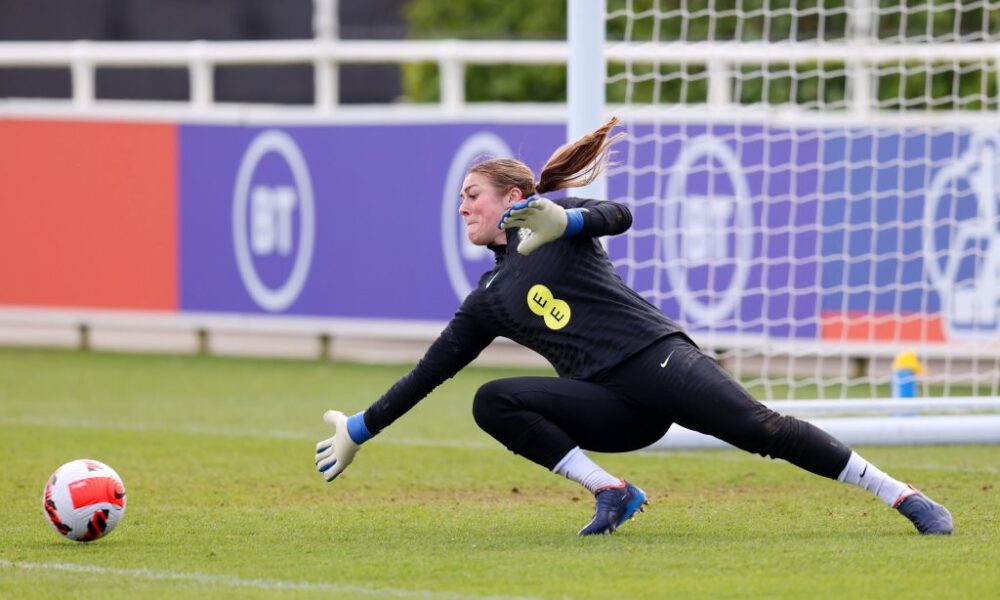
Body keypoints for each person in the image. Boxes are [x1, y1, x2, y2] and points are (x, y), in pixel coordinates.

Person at [315, 117, 953, 536]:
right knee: (492, 400)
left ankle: (902, 496)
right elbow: (430, 372)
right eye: (459, 199)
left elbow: (620, 214)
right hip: (617, 409)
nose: (462, 208)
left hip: (657, 359)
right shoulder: (486, 297)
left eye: (472, 195)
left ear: (512, 199)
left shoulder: (556, 223)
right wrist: (360, 429)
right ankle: (611, 491)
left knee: (761, 429)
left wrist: (564, 221)